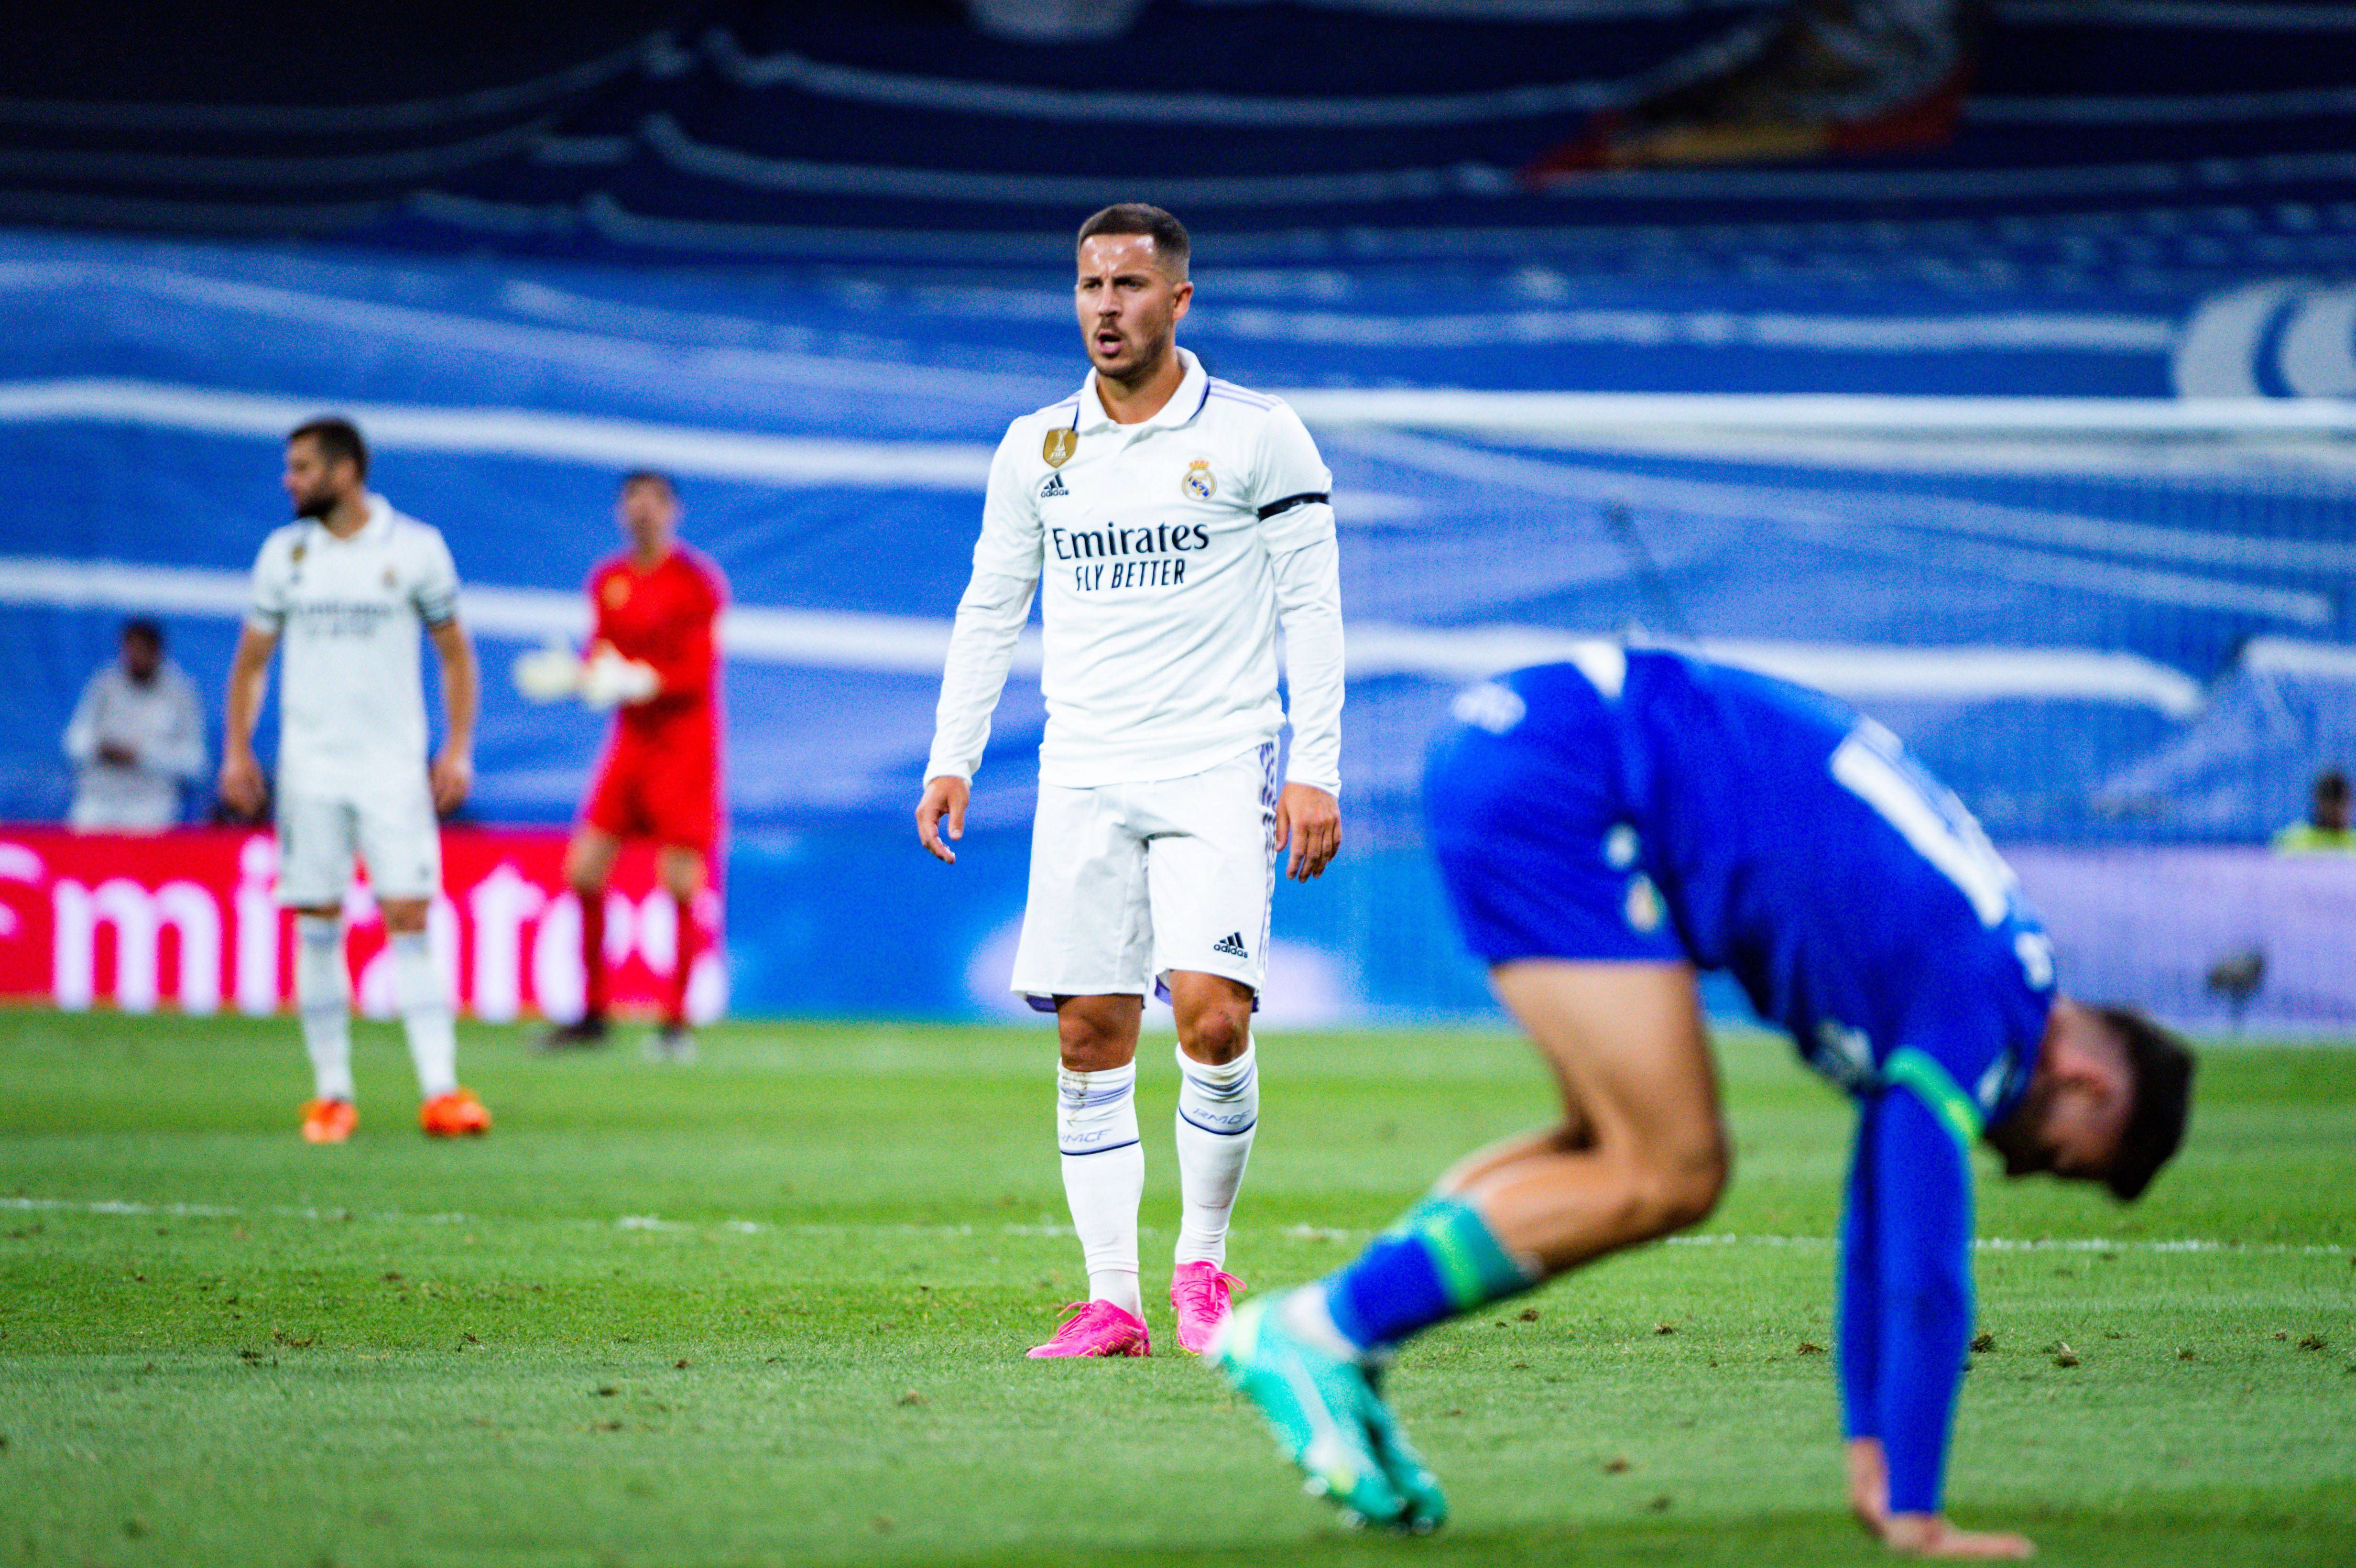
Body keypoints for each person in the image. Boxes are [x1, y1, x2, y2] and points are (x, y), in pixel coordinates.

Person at [1214, 646, 2193, 1557]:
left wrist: (1872, 1451)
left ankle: (1347, 1340)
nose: (2019, 1163)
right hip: (1571, 777)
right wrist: (1917, 1504)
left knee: (1608, 1144)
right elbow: (1923, 1263)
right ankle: (1321, 1331)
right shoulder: (1978, 1010)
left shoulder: (1994, 966)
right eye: (2064, 1153)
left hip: (1546, 746)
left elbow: (1875, 1221)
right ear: (2090, 1082)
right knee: (1669, 1169)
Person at [916, 203, 1346, 1359]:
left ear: (1179, 300)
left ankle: (1202, 1263)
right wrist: (954, 752)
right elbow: (990, 605)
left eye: (1130, 286)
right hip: (1085, 770)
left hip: (1218, 762)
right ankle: (1114, 1299)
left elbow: (1313, 606)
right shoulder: (1037, 446)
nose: (1107, 307)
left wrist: (1314, 767)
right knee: (1091, 1033)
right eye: (1090, 286)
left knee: (1211, 1016)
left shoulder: (1261, 435)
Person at [218, 417, 490, 1145]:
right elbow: (251, 663)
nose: (290, 480)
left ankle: (441, 1090)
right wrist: (238, 751)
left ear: (345, 472)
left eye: (302, 467)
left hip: (393, 768)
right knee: (317, 924)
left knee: (408, 915)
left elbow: (457, 657)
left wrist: (457, 749)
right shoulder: (287, 554)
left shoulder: (416, 548)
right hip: (309, 769)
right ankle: (332, 1093)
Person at [522, 471, 727, 1061]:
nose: (642, 512)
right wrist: (579, 674)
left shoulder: (695, 583)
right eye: (632, 501)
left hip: (684, 746)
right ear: (620, 512)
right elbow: (603, 655)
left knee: (679, 882)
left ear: (673, 512)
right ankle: (592, 1014)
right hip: (631, 745)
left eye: (653, 502)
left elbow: (697, 672)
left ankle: (674, 1024)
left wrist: (644, 679)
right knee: (584, 871)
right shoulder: (608, 580)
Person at [63, 618, 206, 831]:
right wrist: (103, 749)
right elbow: (73, 743)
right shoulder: (105, 685)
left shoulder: (181, 693)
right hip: (100, 800)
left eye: (143, 650)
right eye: (131, 650)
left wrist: (141, 755)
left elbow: (196, 764)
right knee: (82, 826)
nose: (136, 657)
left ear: (157, 652)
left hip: (151, 806)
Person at [2272, 768, 2354, 854]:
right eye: (2329, 801)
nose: (2335, 809)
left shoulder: (2353, 844)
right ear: (2318, 801)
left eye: (2340, 802)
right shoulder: (2291, 842)